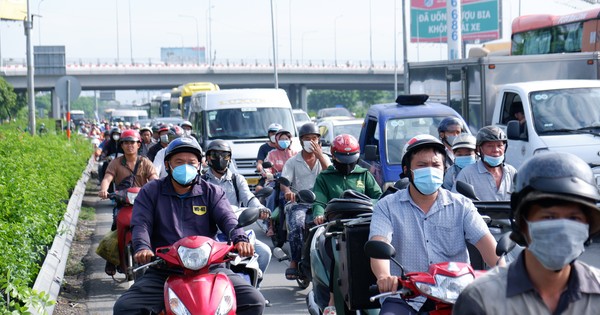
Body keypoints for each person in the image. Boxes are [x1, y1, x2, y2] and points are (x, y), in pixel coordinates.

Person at [112, 137, 265, 314]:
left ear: (200, 165)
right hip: (164, 269)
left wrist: (240, 239)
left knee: (254, 301)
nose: (186, 167)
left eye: (191, 162)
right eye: (179, 162)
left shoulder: (212, 192)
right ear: (168, 165)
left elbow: (228, 218)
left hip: (211, 268)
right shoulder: (151, 191)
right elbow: (141, 224)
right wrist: (143, 247)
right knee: (125, 308)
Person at [369, 134, 503, 315]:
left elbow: (489, 247)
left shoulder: (461, 205)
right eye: (422, 165)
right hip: (404, 296)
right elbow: (380, 242)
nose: (430, 170)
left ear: (444, 169)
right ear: (407, 169)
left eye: (436, 165)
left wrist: (507, 272)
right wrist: (384, 277)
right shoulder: (387, 206)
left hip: (456, 296)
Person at [454, 152, 600, 314]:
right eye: (549, 217)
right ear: (522, 223)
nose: (562, 229)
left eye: (574, 218)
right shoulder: (480, 299)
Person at [311, 133, 382, 314]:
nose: (348, 163)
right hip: (336, 229)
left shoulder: (364, 175)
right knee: (337, 256)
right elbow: (319, 202)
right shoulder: (325, 177)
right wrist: (319, 214)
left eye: (352, 158)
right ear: (333, 157)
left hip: (364, 228)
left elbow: (379, 198)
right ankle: (333, 299)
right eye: (343, 158)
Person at [201, 139, 273, 290]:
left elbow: (249, 198)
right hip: (211, 233)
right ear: (207, 158)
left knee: (264, 252)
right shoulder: (201, 181)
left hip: (236, 229)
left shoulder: (236, 179)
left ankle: (255, 287)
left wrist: (260, 209)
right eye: (215, 154)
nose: (220, 158)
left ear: (229, 158)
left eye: (224, 155)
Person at [98, 129, 158, 276]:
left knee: (157, 227)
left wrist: (157, 190)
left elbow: (155, 179)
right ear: (122, 145)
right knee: (115, 226)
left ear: (139, 145)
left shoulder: (145, 162)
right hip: (122, 202)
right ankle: (111, 260)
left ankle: (159, 259)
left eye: (133, 142)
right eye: (126, 143)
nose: (129, 145)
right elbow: (107, 178)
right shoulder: (115, 163)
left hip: (144, 203)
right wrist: (104, 190)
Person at [278, 122, 330, 280]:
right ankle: (294, 260)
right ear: (301, 141)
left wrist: (320, 155)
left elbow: (330, 174)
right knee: (297, 225)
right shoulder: (293, 162)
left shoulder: (325, 158)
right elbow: (284, 183)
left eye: (314, 138)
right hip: (299, 203)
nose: (311, 142)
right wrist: (288, 192)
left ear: (319, 141)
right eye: (307, 139)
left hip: (321, 203)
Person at [453, 125, 517, 201]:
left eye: (499, 145)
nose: (496, 150)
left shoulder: (511, 172)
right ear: (479, 149)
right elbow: (456, 203)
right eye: (490, 146)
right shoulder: (467, 174)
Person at [255, 123, 282, 192]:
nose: (274, 135)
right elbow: (260, 162)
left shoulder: (286, 149)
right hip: (269, 176)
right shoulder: (264, 148)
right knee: (259, 189)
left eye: (277, 134)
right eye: (272, 133)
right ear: (268, 134)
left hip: (284, 176)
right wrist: (260, 167)